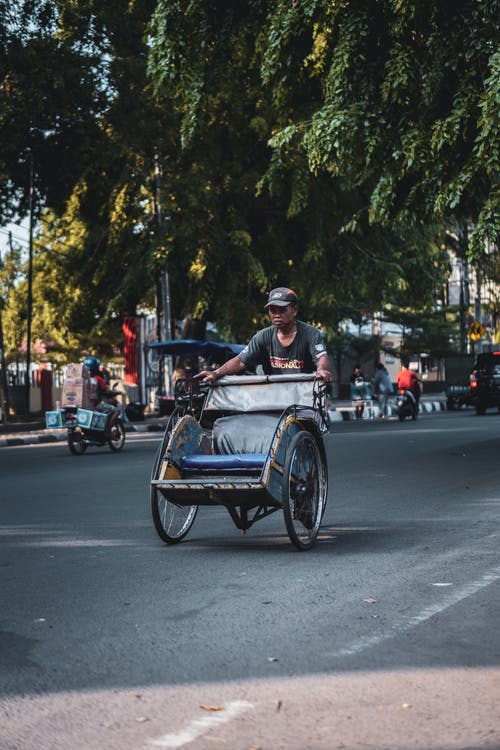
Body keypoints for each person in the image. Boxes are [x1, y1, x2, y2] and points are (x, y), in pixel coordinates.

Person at [196, 287, 332, 383]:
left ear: (294, 310)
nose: (277, 315)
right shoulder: (263, 336)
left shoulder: (310, 334)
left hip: (303, 396)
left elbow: (322, 358)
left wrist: (321, 370)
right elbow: (240, 361)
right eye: (273, 310)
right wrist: (216, 373)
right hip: (272, 396)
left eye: (282, 310)